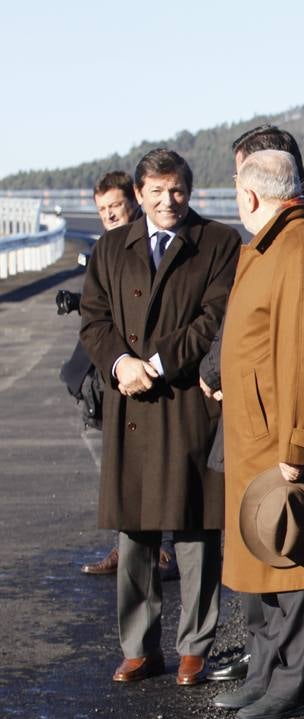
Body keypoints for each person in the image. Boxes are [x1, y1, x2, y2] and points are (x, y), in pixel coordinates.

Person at [212, 149, 304, 719]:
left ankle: (296, 684)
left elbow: (303, 356)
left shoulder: (300, 247)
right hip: (256, 433)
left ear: (250, 195)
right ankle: (268, 671)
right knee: (265, 555)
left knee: (298, 553)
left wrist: (296, 446)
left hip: (283, 438)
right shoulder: (271, 243)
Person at [78, 149, 239, 687]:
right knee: (136, 533)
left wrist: (159, 363)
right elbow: (94, 319)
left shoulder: (217, 242)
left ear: (189, 191)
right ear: (139, 193)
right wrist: (120, 363)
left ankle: (195, 646)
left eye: (177, 191)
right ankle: (139, 647)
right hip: (130, 401)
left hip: (186, 401)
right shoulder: (109, 247)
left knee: (196, 529)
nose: (168, 201)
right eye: (157, 192)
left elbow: (215, 319)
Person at [72, 171, 177, 581]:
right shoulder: (107, 248)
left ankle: (162, 549)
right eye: (102, 210)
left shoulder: (153, 243)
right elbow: (97, 315)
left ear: (133, 201)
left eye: (115, 206)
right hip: (112, 373)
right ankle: (128, 546)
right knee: (122, 470)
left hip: (156, 375)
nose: (109, 215)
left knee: (158, 464)